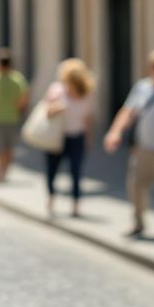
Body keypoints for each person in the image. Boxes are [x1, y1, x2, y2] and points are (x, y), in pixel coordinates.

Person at [103, 48, 154, 238]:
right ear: (150, 68)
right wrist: (114, 132)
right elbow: (127, 112)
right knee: (135, 186)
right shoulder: (142, 88)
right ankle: (138, 224)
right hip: (143, 148)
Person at [44, 59, 95, 218]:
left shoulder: (86, 93)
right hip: (57, 137)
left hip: (76, 136)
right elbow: (47, 112)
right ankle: (51, 197)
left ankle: (75, 205)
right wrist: (58, 106)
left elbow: (87, 119)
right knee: (52, 170)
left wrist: (88, 138)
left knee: (76, 171)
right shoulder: (57, 90)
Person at [0, 48, 30, 184]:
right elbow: (24, 98)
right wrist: (17, 109)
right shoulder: (18, 79)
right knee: (9, 148)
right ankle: (4, 171)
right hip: (12, 118)